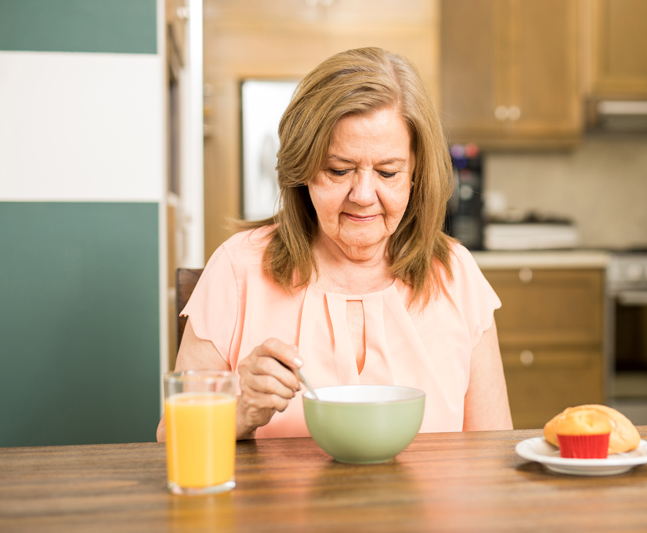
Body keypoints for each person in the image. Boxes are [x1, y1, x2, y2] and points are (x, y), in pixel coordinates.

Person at [156, 47, 512, 442]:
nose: (363, 194)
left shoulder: (457, 275)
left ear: (416, 175)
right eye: (339, 170)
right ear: (302, 169)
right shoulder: (237, 269)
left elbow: (493, 451)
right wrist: (240, 412)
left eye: (388, 172)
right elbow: (172, 438)